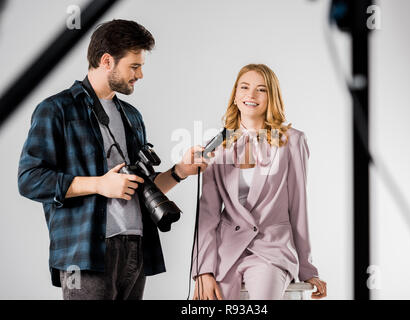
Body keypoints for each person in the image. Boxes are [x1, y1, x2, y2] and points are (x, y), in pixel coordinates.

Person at [18, 19, 210, 300]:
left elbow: (142, 187)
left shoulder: (132, 116)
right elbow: (29, 180)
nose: (141, 74)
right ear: (107, 61)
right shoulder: (55, 110)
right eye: (134, 66)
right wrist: (99, 185)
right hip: (85, 254)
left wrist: (180, 171)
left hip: (136, 247)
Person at [192, 64, 327, 300]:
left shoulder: (292, 141)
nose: (251, 95)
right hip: (226, 252)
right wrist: (203, 269)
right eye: (244, 87)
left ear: (271, 97)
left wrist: (307, 269)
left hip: (271, 250)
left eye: (261, 89)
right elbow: (208, 214)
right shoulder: (217, 145)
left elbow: (298, 208)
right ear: (235, 95)